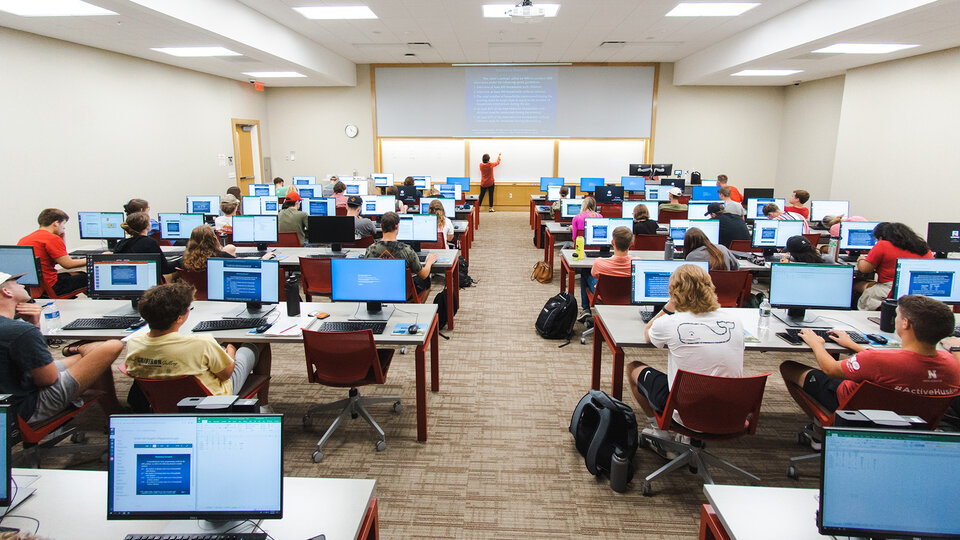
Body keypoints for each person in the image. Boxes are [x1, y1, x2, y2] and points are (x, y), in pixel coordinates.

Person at [780, 294, 960, 413]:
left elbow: (831, 369)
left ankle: (820, 428)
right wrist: (853, 345)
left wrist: (816, 343)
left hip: (854, 407)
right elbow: (891, 360)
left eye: (897, 315)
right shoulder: (952, 364)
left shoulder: (876, 360)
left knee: (788, 367)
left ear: (905, 323)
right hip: (916, 418)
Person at [627, 264, 744, 433]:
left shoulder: (669, 323)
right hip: (730, 411)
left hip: (686, 412)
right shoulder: (735, 321)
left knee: (633, 368)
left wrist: (669, 307)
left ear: (673, 293)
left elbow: (648, 333)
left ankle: (659, 432)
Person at [0, 271, 124, 424]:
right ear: (6, 291)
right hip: (25, 408)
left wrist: (34, 324)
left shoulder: (16, 329)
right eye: (16, 282)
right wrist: (32, 328)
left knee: (95, 356)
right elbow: (47, 379)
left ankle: (114, 412)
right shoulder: (19, 331)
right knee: (112, 346)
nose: (22, 284)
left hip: (10, 391)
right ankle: (74, 349)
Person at [125, 282, 271, 397]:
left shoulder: (134, 342)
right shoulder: (201, 343)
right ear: (179, 318)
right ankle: (263, 404)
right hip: (211, 399)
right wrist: (231, 349)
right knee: (256, 341)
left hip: (162, 399)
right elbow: (226, 374)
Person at [856, 222, 932, 310]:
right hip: (919, 289)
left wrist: (861, 259)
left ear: (880, 237)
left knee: (856, 284)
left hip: (890, 289)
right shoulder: (924, 249)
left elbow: (865, 269)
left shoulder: (883, 245)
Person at [18, 208, 88, 296]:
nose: (64, 227)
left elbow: (57, 258)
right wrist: (91, 259)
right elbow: (68, 264)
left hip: (34, 287)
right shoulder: (51, 238)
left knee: (78, 274)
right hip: (52, 287)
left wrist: (62, 238)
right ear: (56, 223)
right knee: (89, 277)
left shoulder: (25, 239)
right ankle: (101, 303)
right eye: (63, 224)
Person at [365, 212, 437, 295]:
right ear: (397, 226)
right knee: (426, 280)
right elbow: (424, 274)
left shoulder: (370, 249)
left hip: (378, 291)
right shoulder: (406, 250)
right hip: (402, 292)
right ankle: (418, 305)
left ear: (381, 226)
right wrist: (429, 262)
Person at [580, 226, 635, 316]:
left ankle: (586, 309)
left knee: (585, 272)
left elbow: (594, 274)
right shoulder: (636, 263)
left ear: (612, 243)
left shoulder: (599, 262)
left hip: (604, 296)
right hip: (628, 298)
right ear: (631, 243)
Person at [114, 212, 177, 278]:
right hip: (148, 280)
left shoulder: (121, 244)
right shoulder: (150, 242)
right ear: (147, 226)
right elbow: (165, 269)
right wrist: (181, 261)